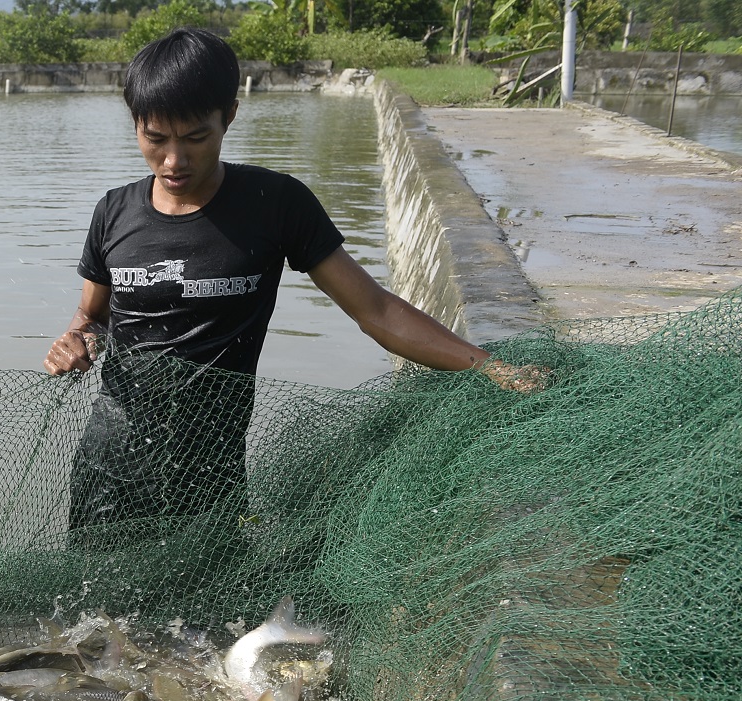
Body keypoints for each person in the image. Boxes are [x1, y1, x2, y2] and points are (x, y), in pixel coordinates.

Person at [44, 28, 542, 525]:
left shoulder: (276, 205)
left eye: (196, 137)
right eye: (155, 139)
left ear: (229, 116)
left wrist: (488, 366)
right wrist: (74, 340)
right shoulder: (114, 212)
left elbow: (376, 311)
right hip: (110, 462)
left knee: (209, 600)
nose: (174, 160)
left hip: (211, 471)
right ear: (136, 125)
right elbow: (91, 316)